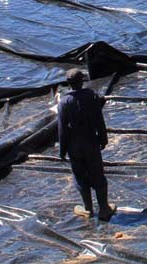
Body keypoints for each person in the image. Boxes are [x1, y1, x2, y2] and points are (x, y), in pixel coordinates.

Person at [58, 68, 115, 221]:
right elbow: (99, 119)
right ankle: (104, 208)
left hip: (74, 146)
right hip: (91, 141)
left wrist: (62, 150)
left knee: (80, 175)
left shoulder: (64, 102)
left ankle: (88, 208)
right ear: (82, 81)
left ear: (68, 83)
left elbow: (62, 128)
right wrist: (103, 138)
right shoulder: (91, 96)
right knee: (97, 173)